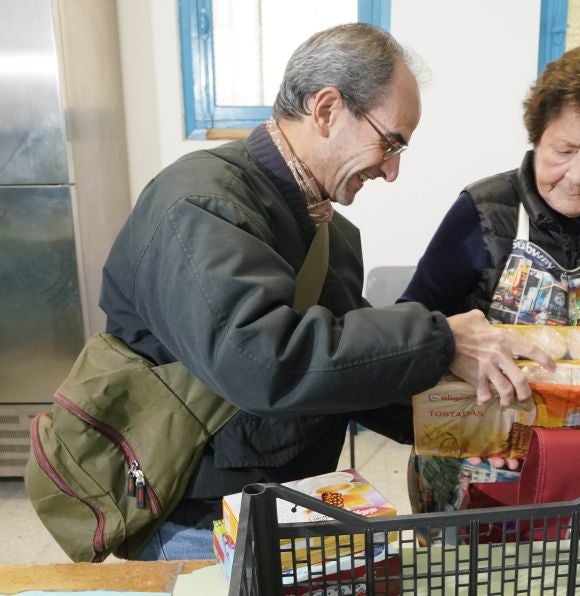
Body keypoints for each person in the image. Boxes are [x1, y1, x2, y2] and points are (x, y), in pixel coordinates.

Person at [99, 23, 552, 560]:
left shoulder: (329, 232)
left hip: (287, 505)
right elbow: (263, 359)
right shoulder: (200, 206)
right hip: (198, 519)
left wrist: (470, 424)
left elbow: (345, 365)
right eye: (390, 143)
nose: (392, 170)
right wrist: (442, 339)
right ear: (327, 109)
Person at [400, 37, 580, 438]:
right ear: (538, 134)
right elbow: (413, 328)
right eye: (565, 150)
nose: (579, 175)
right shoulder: (483, 211)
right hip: (479, 443)